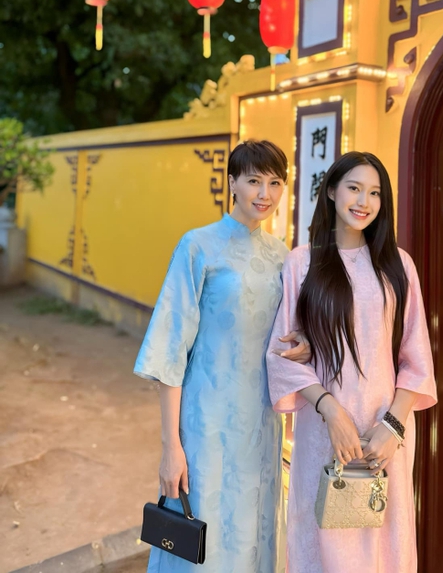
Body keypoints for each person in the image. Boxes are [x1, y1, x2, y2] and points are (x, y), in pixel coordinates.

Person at [134, 140, 309, 573]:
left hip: (261, 427)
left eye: (275, 183)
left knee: (253, 535)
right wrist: (171, 446)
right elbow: (169, 353)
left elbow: (288, 336)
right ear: (232, 183)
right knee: (201, 542)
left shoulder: (282, 257)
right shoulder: (197, 246)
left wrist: (304, 344)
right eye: (253, 181)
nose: (264, 194)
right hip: (204, 427)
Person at [267, 151, 437, 573]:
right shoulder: (302, 262)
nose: (364, 201)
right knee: (323, 541)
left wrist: (392, 427)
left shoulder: (399, 265)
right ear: (331, 191)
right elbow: (281, 355)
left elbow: (416, 358)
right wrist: (332, 411)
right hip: (323, 433)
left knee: (385, 545)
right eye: (354, 188)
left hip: (385, 435)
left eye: (375, 193)